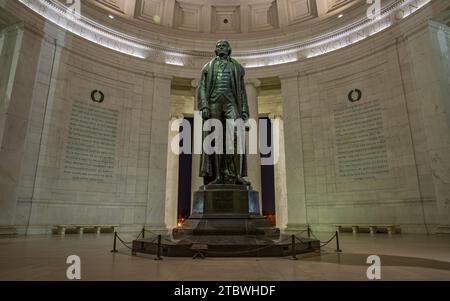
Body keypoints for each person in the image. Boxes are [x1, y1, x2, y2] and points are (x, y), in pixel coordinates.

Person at [198, 40, 251, 186]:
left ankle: (236, 175)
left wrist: (245, 111)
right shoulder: (207, 67)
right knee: (216, 139)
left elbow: (241, 92)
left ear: (229, 49)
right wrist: (204, 106)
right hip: (214, 103)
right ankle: (218, 176)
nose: (221, 48)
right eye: (219, 46)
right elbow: (202, 88)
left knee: (235, 136)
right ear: (216, 50)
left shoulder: (237, 68)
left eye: (224, 46)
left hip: (231, 103)